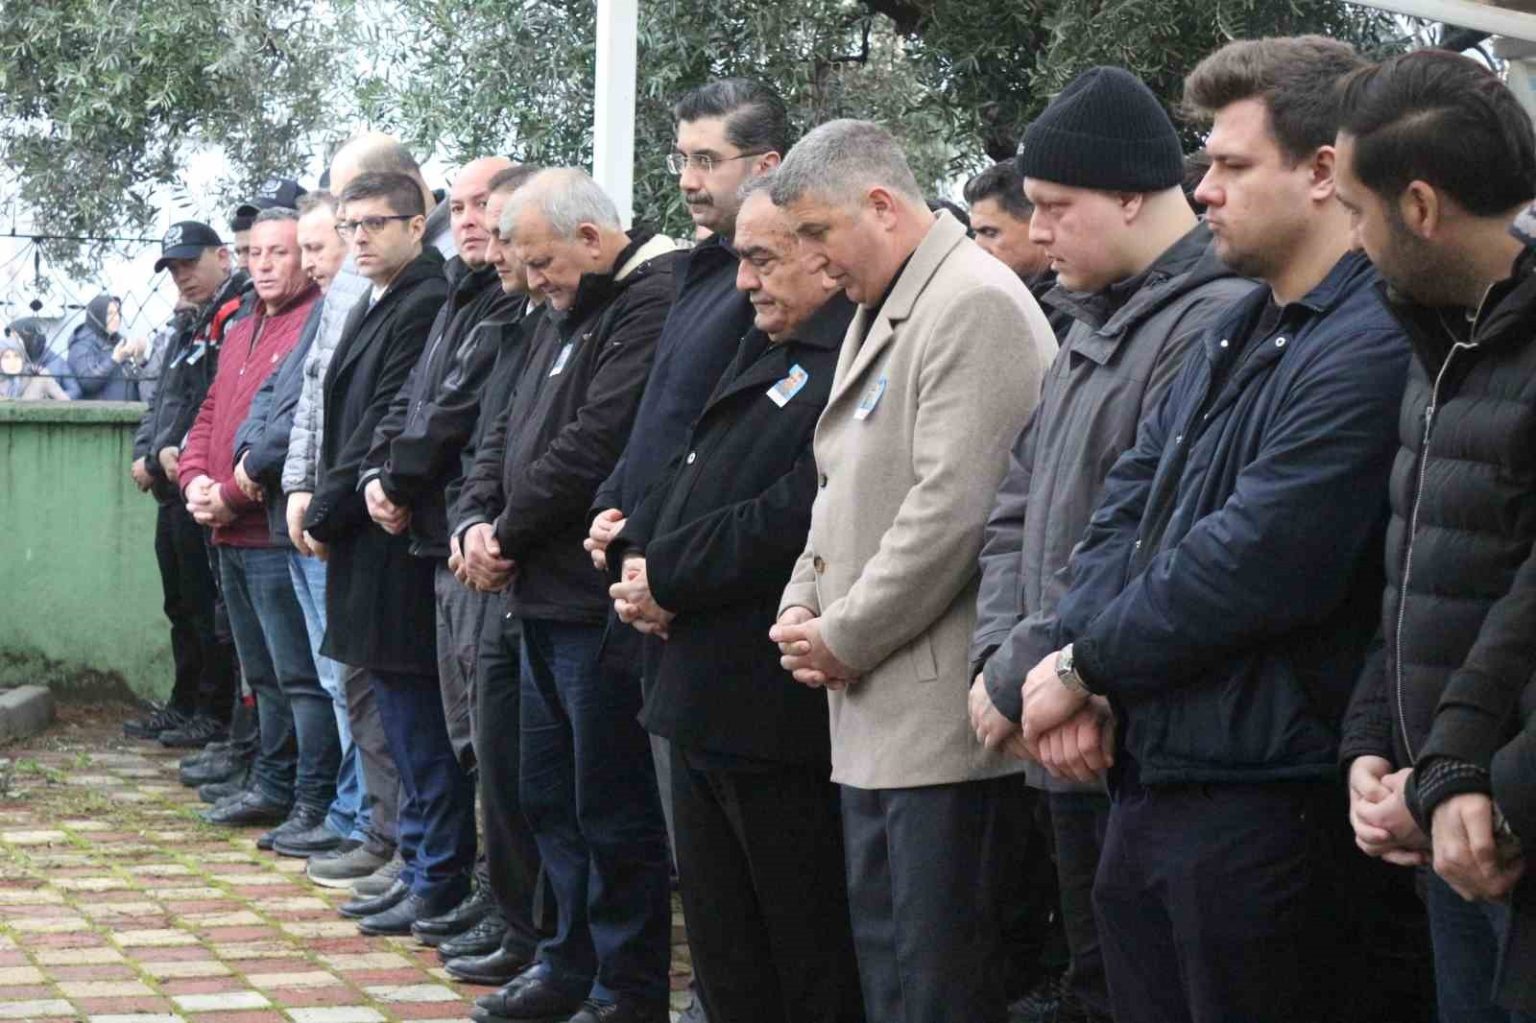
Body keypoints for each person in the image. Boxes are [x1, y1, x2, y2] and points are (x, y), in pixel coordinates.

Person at [1017, 37, 1409, 1023]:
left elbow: (1258, 556)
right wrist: (1078, 662)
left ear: (1323, 171)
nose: (1203, 191)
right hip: (1160, 773)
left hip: (1271, 801)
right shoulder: (1239, 329)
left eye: (1232, 165)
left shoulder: (1371, 341)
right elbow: (1125, 512)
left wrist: (1084, 668)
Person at [967, 65, 1257, 1023]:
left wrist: (1047, 672)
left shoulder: (1212, 320)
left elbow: (1150, 536)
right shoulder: (1088, 322)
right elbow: (1016, 506)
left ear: (1131, 197)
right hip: (1054, 715)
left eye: (1056, 207)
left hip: (1124, 729)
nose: (1038, 229)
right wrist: (1000, 659)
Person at [766, 119, 1057, 1023]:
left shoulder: (973, 303)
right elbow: (843, 483)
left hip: (939, 726)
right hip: (878, 711)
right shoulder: (890, 304)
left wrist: (843, 634)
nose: (811, 261)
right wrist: (802, 599)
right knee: (893, 976)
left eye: (817, 233)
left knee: (939, 985)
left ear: (883, 205)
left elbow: (955, 511)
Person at [606, 175, 863, 1023]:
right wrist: (637, 549)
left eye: (763, 259)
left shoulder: (848, 357)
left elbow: (793, 511)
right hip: (697, 692)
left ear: (822, 257)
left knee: (798, 944)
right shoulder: (764, 344)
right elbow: (691, 465)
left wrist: (667, 575)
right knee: (723, 946)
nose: (745, 281)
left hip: (766, 701)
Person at [1334, 50, 1536, 1023]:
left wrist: (1479, 780)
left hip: (1501, 823)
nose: (1351, 238)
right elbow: (1417, 567)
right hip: (1445, 821)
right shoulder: (1439, 339)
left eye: (1355, 209)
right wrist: (1376, 740)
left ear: (1418, 206)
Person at [455, 167, 680, 1023]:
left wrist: (505, 534)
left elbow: (592, 444)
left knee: (610, 807)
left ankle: (626, 987)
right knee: (549, 797)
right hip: (533, 599)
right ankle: (565, 961)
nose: (532, 279)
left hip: (591, 605)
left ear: (590, 238)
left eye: (542, 261)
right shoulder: (559, 311)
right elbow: (504, 429)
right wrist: (476, 520)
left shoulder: (648, 301)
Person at [356, 156, 522, 951]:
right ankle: (456, 879)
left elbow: (459, 410)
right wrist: (379, 472)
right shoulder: (462, 289)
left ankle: (480, 886)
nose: (471, 218)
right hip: (435, 530)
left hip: (475, 537)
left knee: (485, 737)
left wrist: (395, 476)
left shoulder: (501, 300)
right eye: (460, 205)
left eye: (485, 203)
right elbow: (410, 400)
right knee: (461, 725)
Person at [283, 133, 452, 898]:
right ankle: (410, 858)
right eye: (349, 226)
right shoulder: (377, 296)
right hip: (360, 531)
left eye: (374, 224)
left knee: (414, 720)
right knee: (386, 709)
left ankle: (428, 869)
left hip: (387, 532)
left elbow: (385, 418)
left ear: (417, 224)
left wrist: (326, 508)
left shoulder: (424, 297)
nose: (358, 240)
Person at [425, 164, 553, 987]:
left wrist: (496, 529)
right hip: (472, 543)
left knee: (518, 759)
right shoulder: (494, 312)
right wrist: (469, 518)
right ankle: (505, 904)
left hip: (527, 566)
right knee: (484, 741)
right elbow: (488, 438)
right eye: (469, 213)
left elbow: (561, 449)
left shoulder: (553, 316)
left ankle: (530, 923)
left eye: (502, 224)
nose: (490, 241)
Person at [177, 208, 336, 843]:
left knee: (300, 676)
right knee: (261, 673)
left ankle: (309, 794)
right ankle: (271, 780)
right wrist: (193, 478)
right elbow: (209, 413)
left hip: (268, 529)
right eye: (256, 254)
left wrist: (231, 494)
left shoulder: (312, 322)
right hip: (225, 529)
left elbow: (288, 429)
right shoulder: (242, 326)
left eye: (281, 252)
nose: (264, 265)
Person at [232, 190, 380, 865]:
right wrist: (246, 458)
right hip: (289, 507)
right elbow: (272, 398)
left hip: (323, 517)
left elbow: (318, 416)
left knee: (339, 681)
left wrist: (262, 470)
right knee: (319, 678)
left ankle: (352, 815)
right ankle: (344, 810)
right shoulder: (317, 313)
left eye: (315, 248)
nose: (311, 261)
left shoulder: (356, 310)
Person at [123, 221, 245, 746]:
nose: (182, 276)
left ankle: (211, 713)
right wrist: (147, 454)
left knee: (206, 607)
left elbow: (209, 404)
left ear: (223, 257)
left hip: (201, 483)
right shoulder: (188, 324)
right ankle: (186, 702)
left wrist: (171, 457)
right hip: (171, 486)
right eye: (174, 268)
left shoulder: (232, 317)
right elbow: (162, 401)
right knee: (181, 605)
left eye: (190, 264)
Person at [67, 294, 138, 400]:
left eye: (118, 313)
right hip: (100, 409)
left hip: (129, 408)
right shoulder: (82, 344)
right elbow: (87, 381)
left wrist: (139, 358)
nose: (116, 318)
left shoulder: (117, 340)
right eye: (110, 314)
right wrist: (115, 359)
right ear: (98, 315)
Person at [8, 318, 80, 399]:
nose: (12, 344)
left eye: (16, 340)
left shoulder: (57, 362)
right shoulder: (9, 360)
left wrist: (52, 400)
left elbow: (75, 391)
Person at [0, 333, 70, 399]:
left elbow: (65, 401)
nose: (12, 361)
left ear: (23, 359)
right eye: (6, 357)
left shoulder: (37, 374)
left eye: (17, 356)